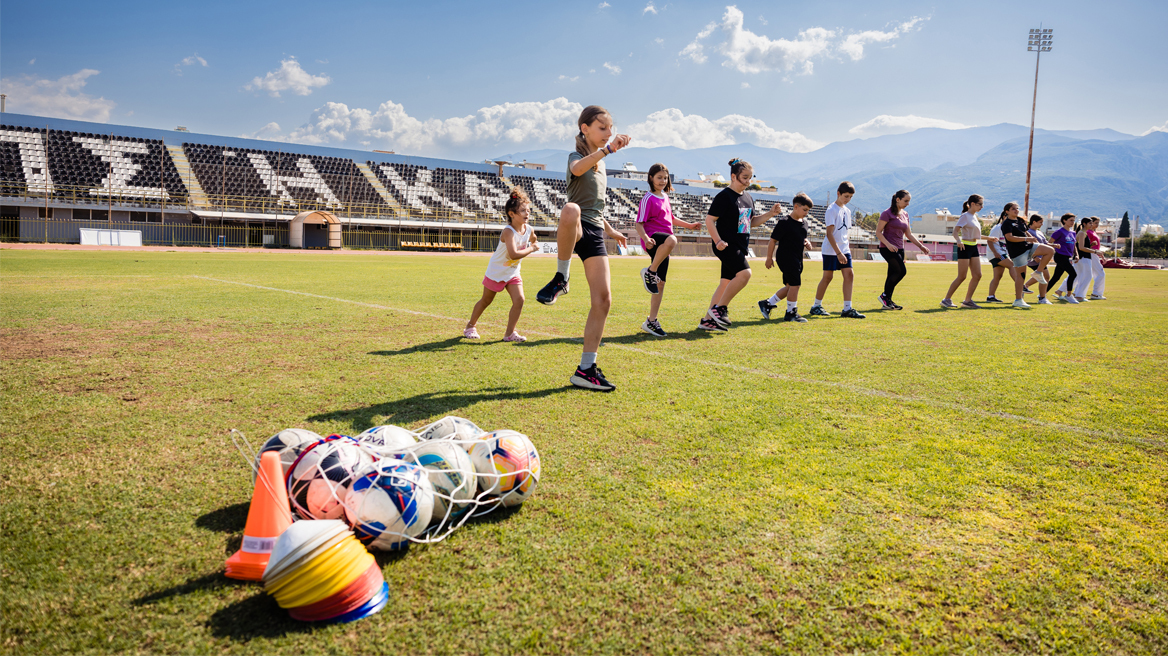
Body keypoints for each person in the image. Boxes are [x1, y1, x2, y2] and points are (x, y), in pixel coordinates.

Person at [535, 105, 631, 392]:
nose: (608, 133)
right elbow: (578, 169)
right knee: (570, 208)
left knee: (603, 300)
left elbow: (597, 208)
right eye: (602, 128)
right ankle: (561, 277)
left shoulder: (601, 165)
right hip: (575, 226)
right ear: (585, 128)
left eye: (610, 129)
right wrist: (609, 149)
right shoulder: (578, 157)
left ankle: (586, 369)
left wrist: (612, 231)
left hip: (595, 230)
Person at [698, 158, 784, 332]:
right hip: (726, 245)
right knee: (745, 274)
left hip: (740, 245)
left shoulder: (748, 197)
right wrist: (718, 241)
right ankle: (719, 309)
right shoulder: (724, 196)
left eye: (750, 177)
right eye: (744, 177)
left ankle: (707, 321)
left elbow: (750, 222)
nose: (748, 181)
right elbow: (709, 220)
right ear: (733, 176)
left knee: (725, 283)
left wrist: (770, 213)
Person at [634, 163, 701, 336]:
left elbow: (670, 218)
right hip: (653, 239)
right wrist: (646, 239)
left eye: (665, 178)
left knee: (660, 284)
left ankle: (651, 321)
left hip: (665, 244)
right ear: (650, 178)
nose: (663, 181)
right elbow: (639, 223)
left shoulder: (665, 196)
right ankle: (650, 271)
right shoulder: (647, 198)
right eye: (659, 177)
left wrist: (690, 226)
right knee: (672, 239)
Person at [464, 189, 539, 341]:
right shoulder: (508, 232)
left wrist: (533, 242)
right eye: (523, 211)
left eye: (528, 210)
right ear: (512, 214)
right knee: (486, 300)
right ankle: (470, 326)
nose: (527, 213)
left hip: (512, 273)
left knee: (520, 300)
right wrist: (532, 248)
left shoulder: (529, 229)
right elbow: (513, 254)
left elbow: (533, 238)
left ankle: (509, 334)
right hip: (497, 272)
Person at [809, 181, 865, 318]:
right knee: (828, 277)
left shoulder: (847, 211)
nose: (848, 199)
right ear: (838, 194)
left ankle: (847, 308)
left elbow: (845, 232)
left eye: (851, 197)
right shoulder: (831, 210)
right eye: (846, 196)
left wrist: (845, 250)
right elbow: (829, 234)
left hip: (844, 249)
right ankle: (816, 306)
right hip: (831, 250)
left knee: (849, 275)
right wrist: (838, 253)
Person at [758, 193, 815, 322]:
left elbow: (801, 237)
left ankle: (767, 303)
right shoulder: (784, 222)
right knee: (795, 285)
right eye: (805, 210)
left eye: (808, 211)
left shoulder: (804, 223)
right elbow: (772, 241)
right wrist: (769, 258)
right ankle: (791, 313)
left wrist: (807, 243)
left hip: (797, 258)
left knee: (790, 286)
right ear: (796, 206)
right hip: (786, 257)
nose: (806, 213)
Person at [876, 189, 930, 309]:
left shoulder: (905, 214)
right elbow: (878, 232)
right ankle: (885, 296)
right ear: (898, 200)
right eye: (906, 201)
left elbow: (909, 234)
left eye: (909, 201)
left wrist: (921, 246)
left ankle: (887, 301)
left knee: (892, 273)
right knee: (901, 271)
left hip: (899, 249)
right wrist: (888, 244)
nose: (908, 204)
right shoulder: (887, 213)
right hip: (887, 248)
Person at [941, 194, 985, 309]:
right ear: (972, 204)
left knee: (978, 275)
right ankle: (946, 299)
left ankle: (967, 301)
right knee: (962, 276)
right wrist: (958, 241)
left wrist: (989, 238)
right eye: (980, 204)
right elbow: (955, 232)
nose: (982, 207)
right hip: (964, 247)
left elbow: (976, 235)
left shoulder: (974, 216)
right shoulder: (965, 216)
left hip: (974, 247)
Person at [999, 202, 1041, 309]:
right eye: (1013, 209)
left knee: (1049, 250)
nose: (1016, 210)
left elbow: (1026, 232)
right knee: (1021, 276)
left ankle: (1038, 273)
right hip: (1017, 252)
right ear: (1007, 211)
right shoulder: (1006, 223)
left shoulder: (1021, 221)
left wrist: (1032, 238)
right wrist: (1027, 239)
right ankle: (1018, 300)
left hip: (1027, 247)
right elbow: (1009, 238)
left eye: (1017, 208)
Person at [1066, 216, 1107, 301]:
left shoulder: (1084, 232)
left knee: (1082, 276)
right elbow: (1081, 247)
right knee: (1086, 276)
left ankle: (1077, 294)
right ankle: (1078, 295)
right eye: (1091, 223)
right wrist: (1095, 251)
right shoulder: (1083, 233)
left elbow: (1082, 246)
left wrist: (1093, 248)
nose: (1092, 225)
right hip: (1084, 256)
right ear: (1084, 224)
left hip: (1086, 256)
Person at [1022, 214, 1057, 304]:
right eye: (1040, 222)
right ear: (1034, 222)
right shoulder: (1028, 232)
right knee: (1046, 276)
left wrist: (1054, 245)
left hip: (1042, 259)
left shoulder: (1039, 232)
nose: (1042, 224)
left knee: (1044, 276)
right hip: (1035, 259)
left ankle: (1025, 287)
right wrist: (1035, 257)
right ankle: (1042, 298)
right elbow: (1028, 246)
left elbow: (1045, 244)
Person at [1047, 213, 1080, 304]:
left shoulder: (1073, 232)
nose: (1073, 222)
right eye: (1071, 220)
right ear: (1064, 220)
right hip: (1060, 256)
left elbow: (1074, 246)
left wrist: (1076, 255)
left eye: (1074, 220)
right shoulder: (1059, 232)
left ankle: (1042, 294)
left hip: (1067, 257)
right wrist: (1054, 247)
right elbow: (1049, 243)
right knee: (1073, 274)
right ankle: (1069, 295)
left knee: (1056, 277)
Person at [985, 212, 1015, 303]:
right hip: (997, 254)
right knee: (1012, 265)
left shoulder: (1007, 229)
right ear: (1004, 217)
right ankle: (1022, 286)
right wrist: (995, 253)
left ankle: (991, 297)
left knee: (997, 276)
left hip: (1000, 253)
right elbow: (989, 241)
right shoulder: (998, 228)